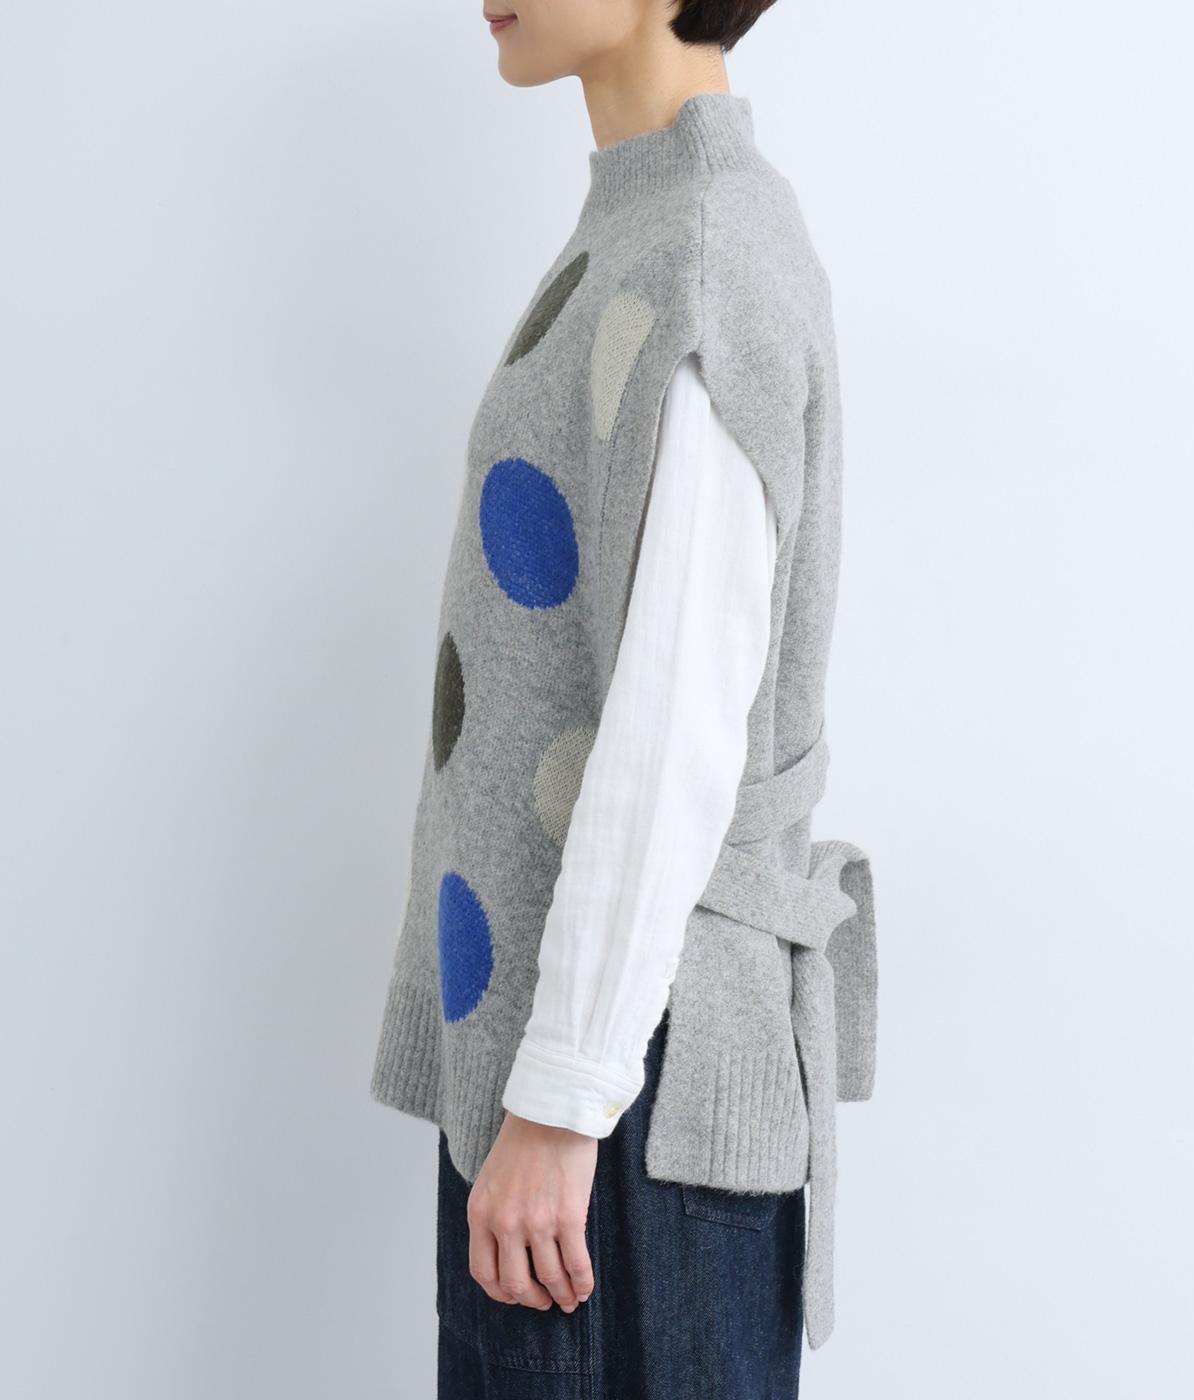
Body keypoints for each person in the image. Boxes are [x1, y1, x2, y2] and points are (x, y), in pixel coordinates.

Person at [371, 4, 879, 1396]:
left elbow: (674, 737)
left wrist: (560, 1098)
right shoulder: (645, 227)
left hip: (622, 1089)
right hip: (583, 1063)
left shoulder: (705, 255)